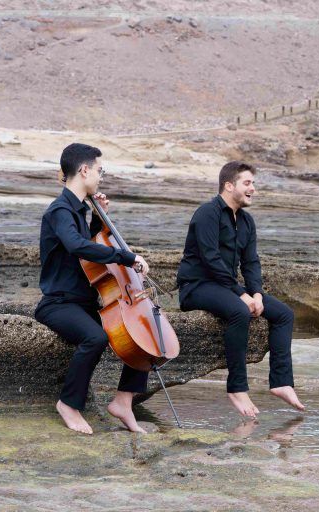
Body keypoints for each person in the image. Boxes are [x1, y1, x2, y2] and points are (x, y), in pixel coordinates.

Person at [35, 143, 151, 435]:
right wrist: (128, 256)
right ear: (84, 170)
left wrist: (99, 219)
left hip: (85, 303)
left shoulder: (79, 211)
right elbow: (78, 247)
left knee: (141, 333)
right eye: (100, 170)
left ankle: (123, 401)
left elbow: (90, 243)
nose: (101, 177)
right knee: (95, 337)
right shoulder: (60, 211)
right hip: (58, 304)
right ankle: (68, 404)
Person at [177, 161, 304, 418]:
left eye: (253, 184)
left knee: (283, 314)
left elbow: (251, 262)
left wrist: (256, 293)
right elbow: (211, 260)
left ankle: (281, 382)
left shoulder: (246, 221)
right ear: (229, 185)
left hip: (224, 286)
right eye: (247, 183)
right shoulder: (207, 213)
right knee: (240, 311)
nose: (253, 189)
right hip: (196, 286)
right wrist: (241, 294)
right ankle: (236, 388)